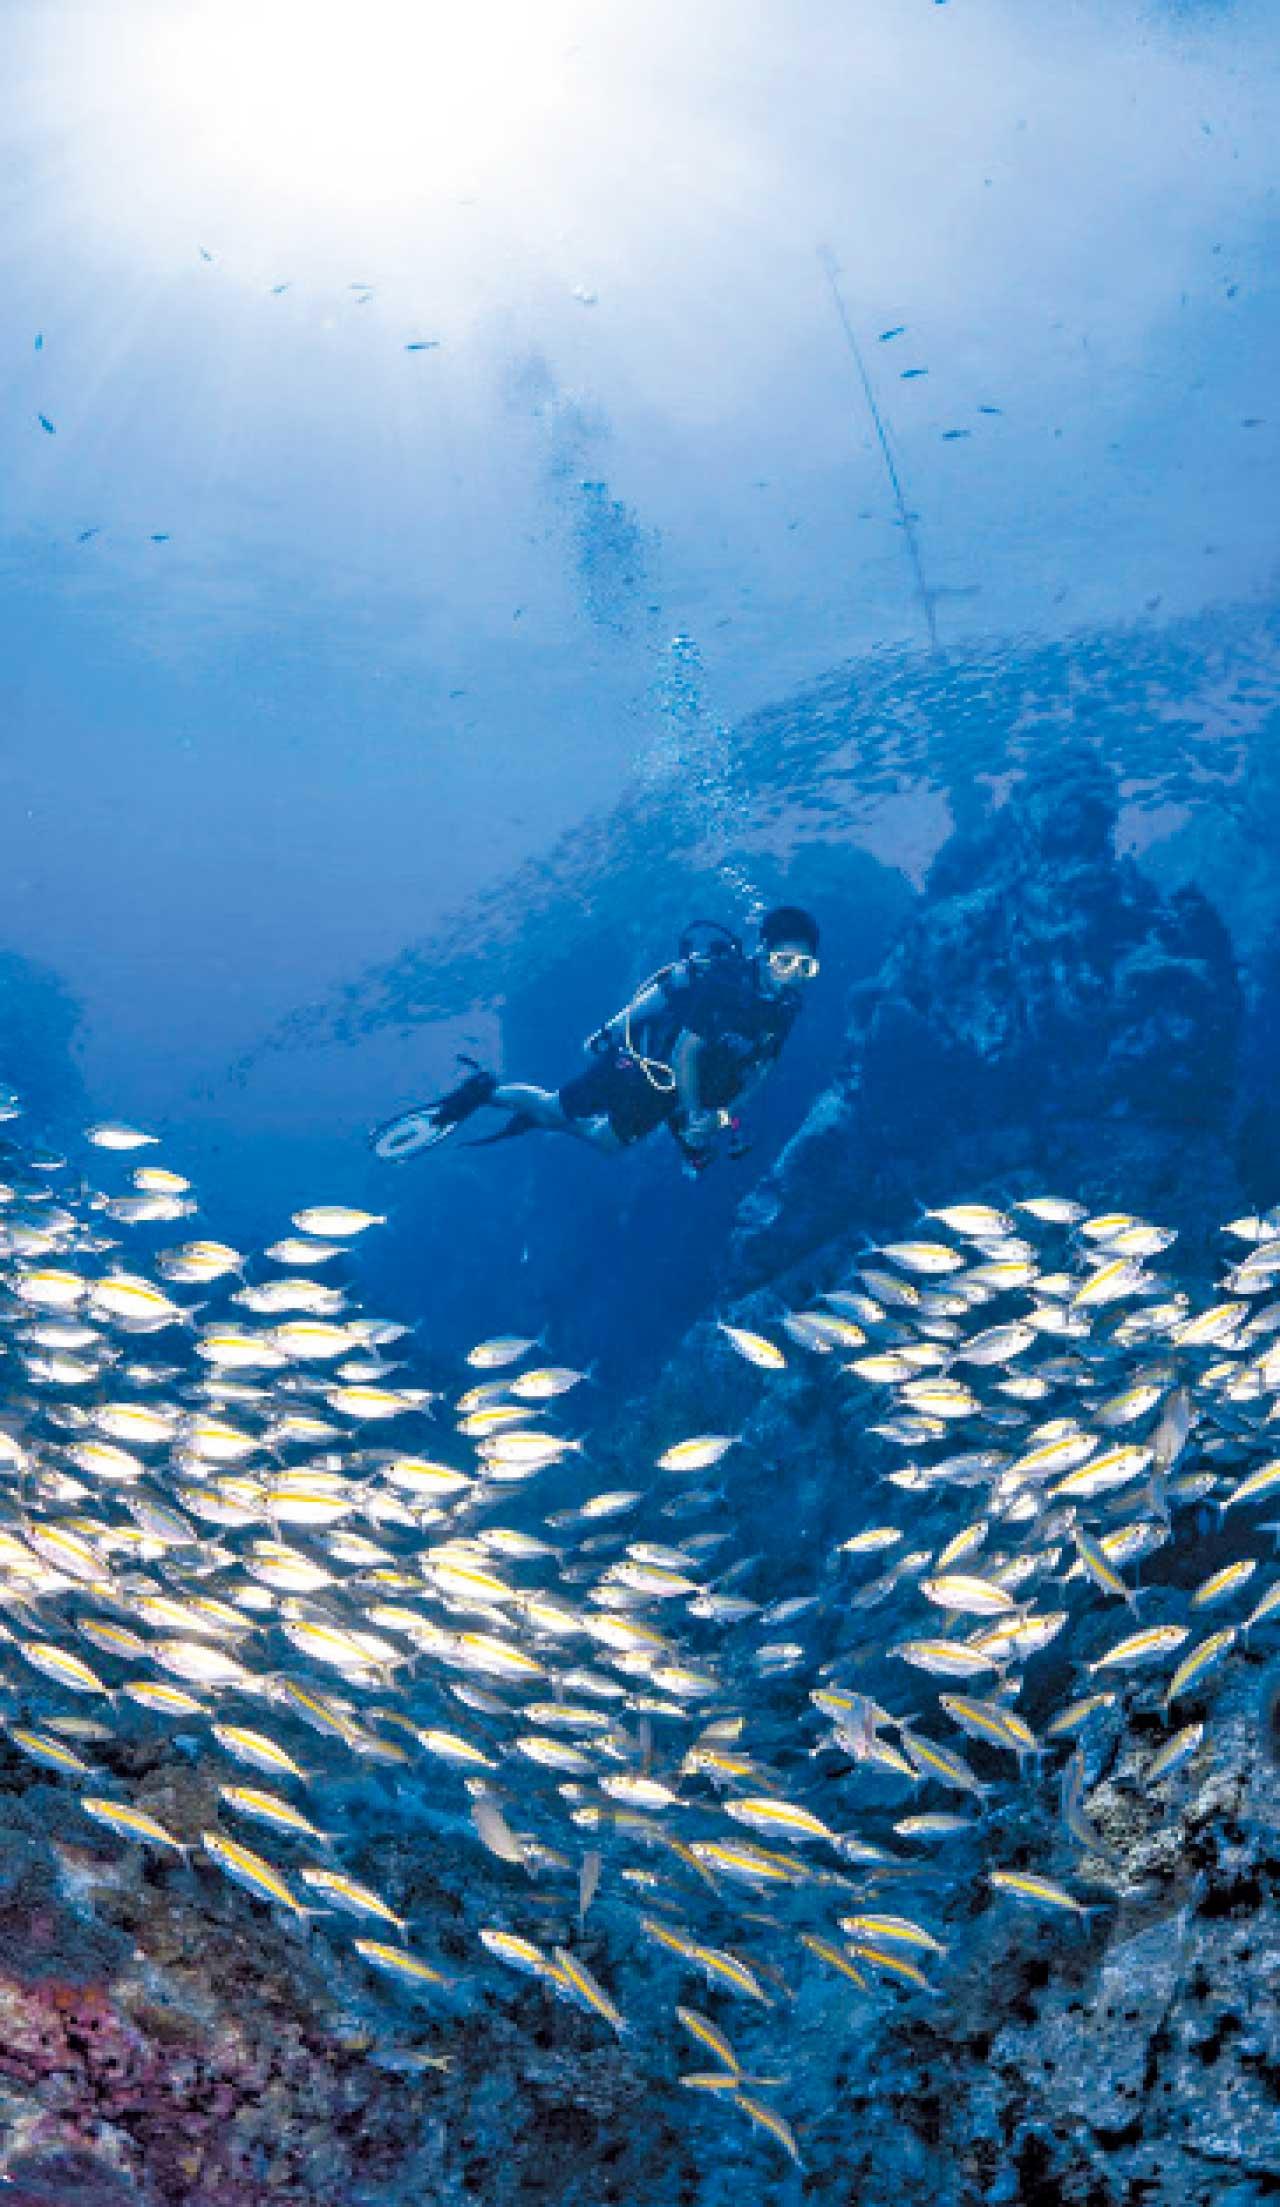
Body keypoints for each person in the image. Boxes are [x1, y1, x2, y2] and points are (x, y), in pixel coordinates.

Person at [369, 907, 820, 1174]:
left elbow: (762, 1070)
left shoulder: (785, 1009)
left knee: (606, 1144)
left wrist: (719, 1117)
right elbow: (686, 1051)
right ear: (763, 951)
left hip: (680, 1094)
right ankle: (484, 1092)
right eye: (784, 961)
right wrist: (695, 1114)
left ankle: (525, 1110)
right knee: (557, 1110)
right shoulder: (724, 985)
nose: (792, 975)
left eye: (805, 968)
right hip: (644, 1067)